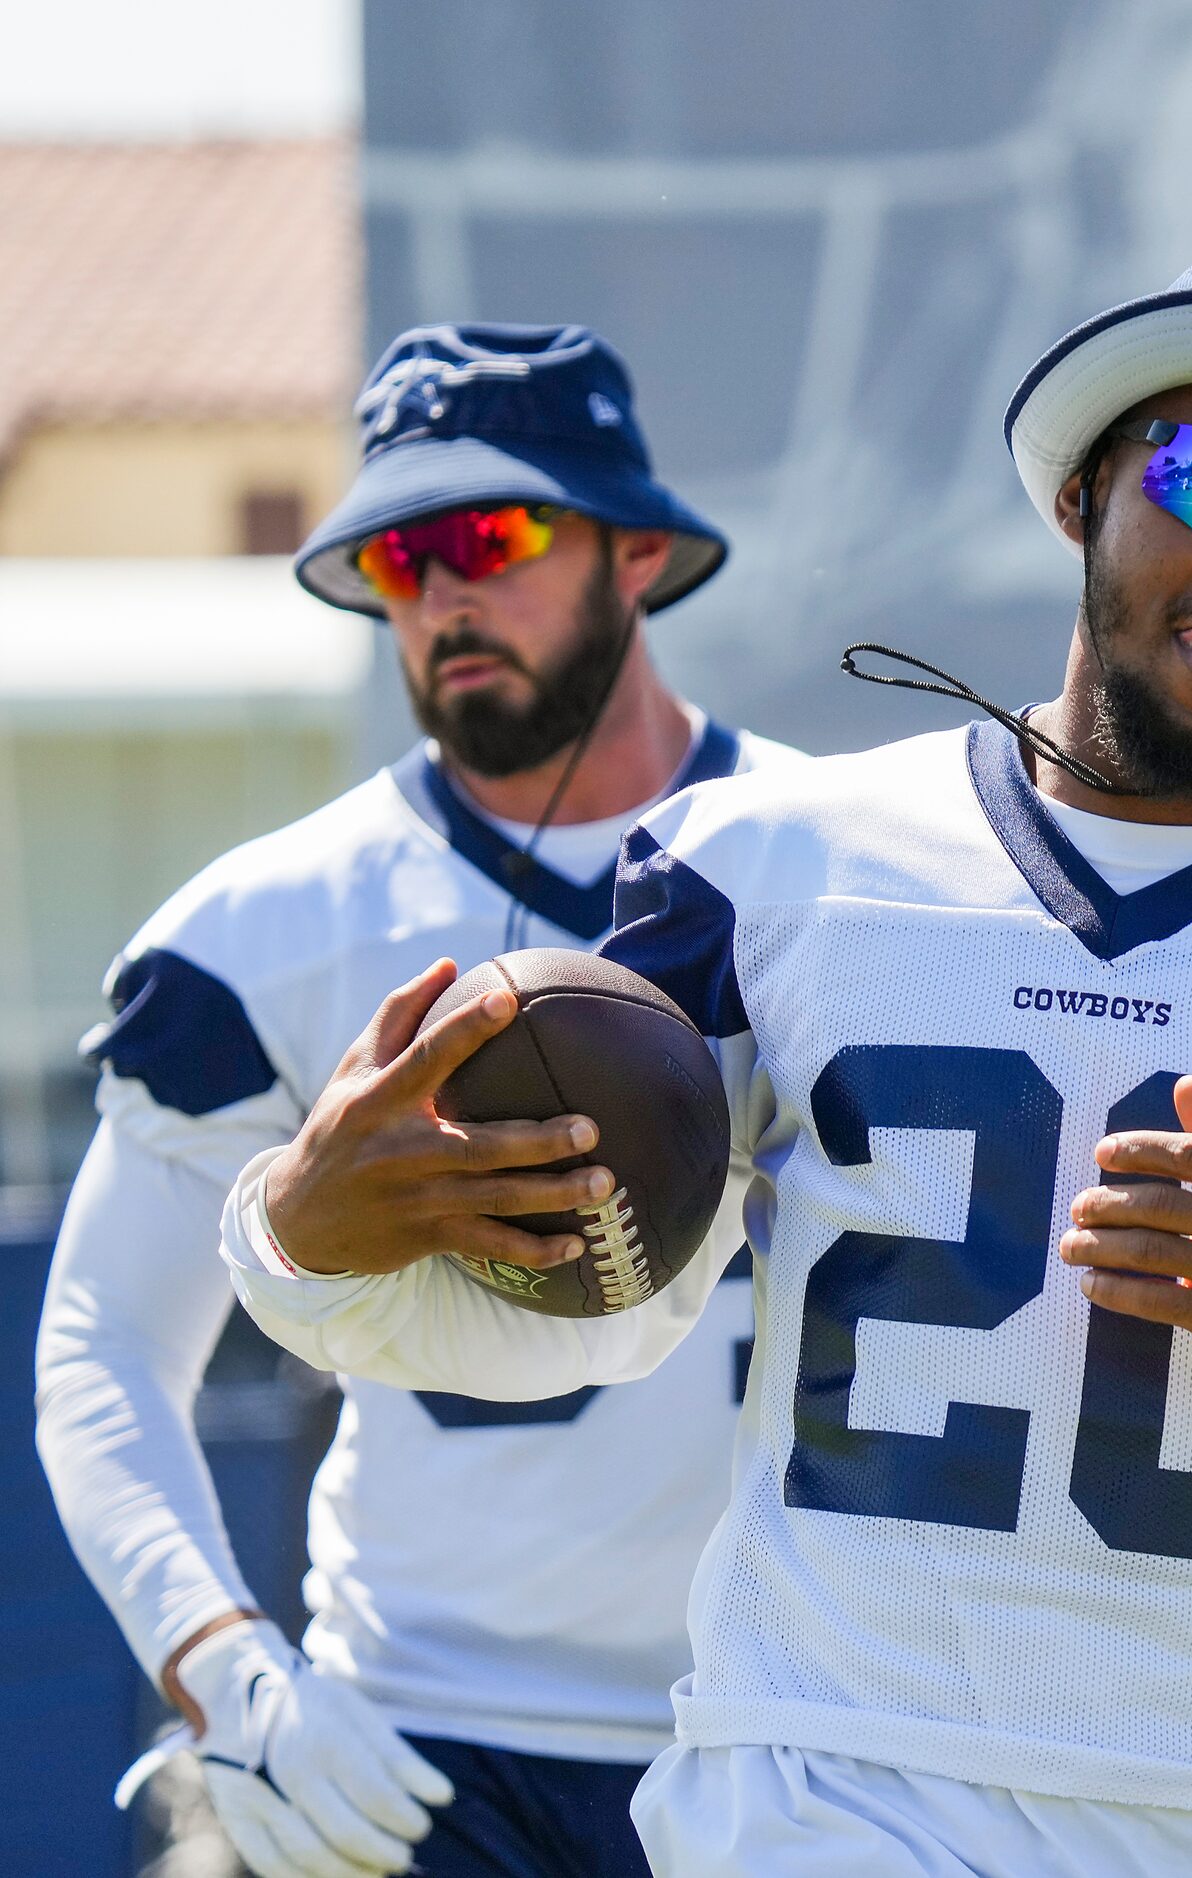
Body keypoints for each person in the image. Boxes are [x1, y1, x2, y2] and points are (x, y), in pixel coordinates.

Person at [216, 250, 1192, 1878]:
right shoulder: (765, 859)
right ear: (1084, 493)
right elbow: (598, 1322)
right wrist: (302, 1236)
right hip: (813, 1803)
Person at [36, 323, 791, 1878]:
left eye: (489, 534)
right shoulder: (263, 930)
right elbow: (103, 1350)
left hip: (783, 1741)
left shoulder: (838, 870)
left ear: (635, 550)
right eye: (396, 557)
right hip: (418, 1754)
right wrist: (227, 1670)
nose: (441, 590)